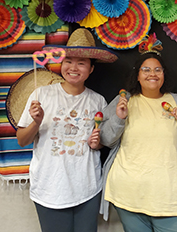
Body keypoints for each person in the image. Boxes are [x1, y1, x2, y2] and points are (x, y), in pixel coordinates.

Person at [16, 28, 118, 232]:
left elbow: (98, 144)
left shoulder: (98, 100)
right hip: (49, 188)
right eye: (68, 61)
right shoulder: (42, 94)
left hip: (87, 187)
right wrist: (36, 122)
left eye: (81, 63)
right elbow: (22, 140)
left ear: (91, 69)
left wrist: (96, 144)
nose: (74, 67)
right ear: (61, 64)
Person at [99, 37, 177, 232]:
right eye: (146, 70)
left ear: (164, 75)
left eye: (157, 69)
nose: (152, 74)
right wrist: (118, 119)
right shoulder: (124, 100)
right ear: (137, 76)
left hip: (170, 197)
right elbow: (105, 139)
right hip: (128, 192)